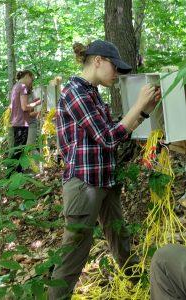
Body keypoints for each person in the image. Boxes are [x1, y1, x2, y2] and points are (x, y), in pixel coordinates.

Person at [48, 39, 161, 300]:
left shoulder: (91, 92)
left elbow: (113, 133)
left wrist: (143, 113)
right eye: (116, 67)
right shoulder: (74, 92)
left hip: (104, 180)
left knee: (119, 237)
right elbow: (108, 137)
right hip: (84, 184)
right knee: (73, 253)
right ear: (98, 61)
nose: (118, 74)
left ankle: (137, 287)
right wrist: (137, 105)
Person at [9, 70, 41, 174]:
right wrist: (37, 103)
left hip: (17, 122)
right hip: (22, 123)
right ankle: (12, 175)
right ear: (27, 76)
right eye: (32, 79)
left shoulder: (15, 86)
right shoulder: (22, 87)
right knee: (19, 151)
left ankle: (16, 173)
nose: (32, 82)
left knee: (18, 150)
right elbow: (24, 107)